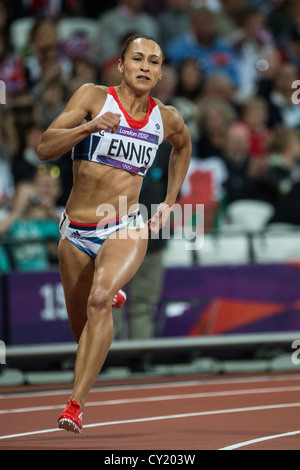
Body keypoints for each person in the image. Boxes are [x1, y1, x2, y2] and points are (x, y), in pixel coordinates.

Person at [37, 34, 191, 434]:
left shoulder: (166, 117)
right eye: (137, 59)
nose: (145, 67)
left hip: (126, 224)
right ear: (120, 65)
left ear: (159, 73)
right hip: (75, 230)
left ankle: (75, 405)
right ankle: (109, 288)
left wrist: (170, 201)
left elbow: (183, 147)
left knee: (100, 299)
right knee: (82, 332)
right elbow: (44, 147)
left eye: (153, 62)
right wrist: (89, 126)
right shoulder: (92, 97)